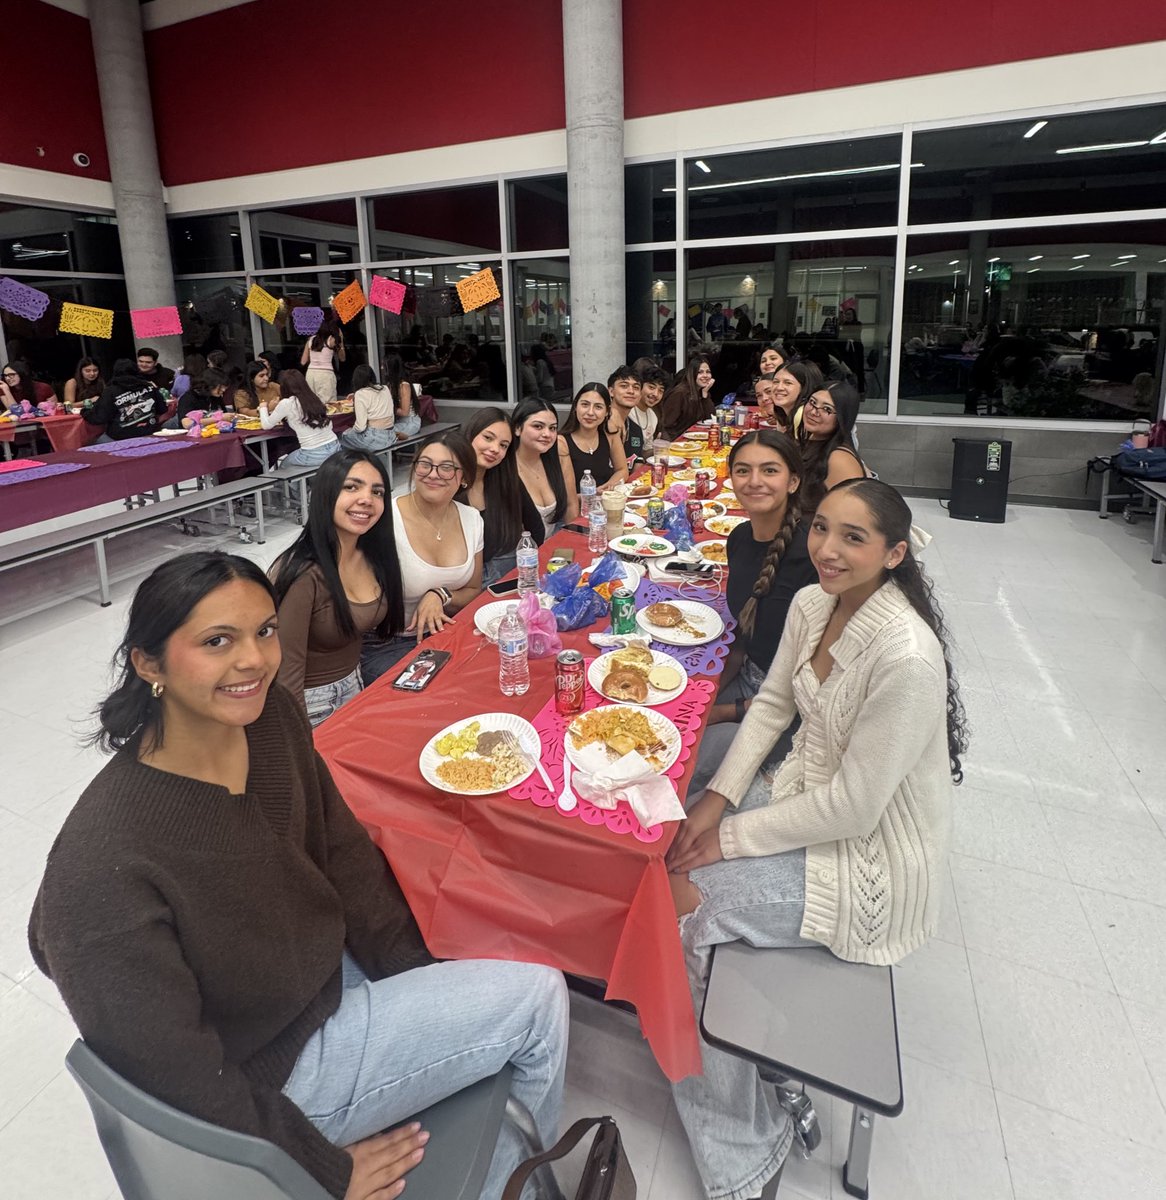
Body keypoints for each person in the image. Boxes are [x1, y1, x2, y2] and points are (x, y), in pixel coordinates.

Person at [28, 550, 568, 1200]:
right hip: (273, 1076)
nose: (253, 660)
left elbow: (344, 855)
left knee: (495, 929)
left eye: (263, 631)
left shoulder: (270, 720)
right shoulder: (102, 870)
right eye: (217, 641)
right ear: (149, 664)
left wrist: (417, 971)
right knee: (539, 998)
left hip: (314, 979)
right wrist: (314, 1167)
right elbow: (174, 1080)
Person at [666, 477, 966, 1200]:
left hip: (869, 861)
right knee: (671, 845)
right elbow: (772, 706)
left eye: (853, 538)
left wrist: (731, 838)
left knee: (684, 913)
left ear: (895, 554)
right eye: (822, 528)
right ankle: (755, 1057)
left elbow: (857, 810)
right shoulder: (811, 603)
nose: (828, 549)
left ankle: (742, 1149)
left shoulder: (906, 656)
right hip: (803, 796)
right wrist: (717, 802)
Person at [688, 431, 817, 793]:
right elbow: (746, 633)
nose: (754, 481)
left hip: (793, 712)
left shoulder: (814, 557)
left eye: (769, 470)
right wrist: (710, 691)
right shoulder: (740, 538)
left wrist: (723, 711)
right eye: (743, 471)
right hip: (748, 680)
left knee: (687, 773)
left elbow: (816, 682)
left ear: (793, 482)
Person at [271, 450, 404, 724]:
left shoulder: (373, 555)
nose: (366, 499)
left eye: (377, 492)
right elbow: (286, 672)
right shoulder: (302, 573)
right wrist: (297, 738)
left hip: (356, 684)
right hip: (311, 703)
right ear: (326, 494)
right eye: (351, 487)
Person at [359, 431, 483, 685]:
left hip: (444, 632)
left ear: (465, 478)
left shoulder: (472, 519)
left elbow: (473, 590)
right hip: (386, 643)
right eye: (425, 464)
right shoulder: (384, 517)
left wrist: (441, 594)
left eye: (446, 468)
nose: (433, 474)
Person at [464, 406, 546, 587]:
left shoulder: (506, 480)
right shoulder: (448, 483)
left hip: (506, 575)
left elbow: (536, 529)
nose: (495, 449)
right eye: (488, 438)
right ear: (471, 434)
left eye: (503, 445)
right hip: (463, 584)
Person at [797, 382, 865, 513]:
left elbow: (851, 513)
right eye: (812, 402)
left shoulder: (840, 459)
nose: (813, 412)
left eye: (827, 409)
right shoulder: (810, 440)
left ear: (842, 418)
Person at [512, 398, 575, 540]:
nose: (547, 434)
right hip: (520, 551)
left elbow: (571, 506)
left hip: (554, 546)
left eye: (552, 428)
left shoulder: (555, 459)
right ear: (517, 428)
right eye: (538, 426)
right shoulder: (505, 469)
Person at [258, 368, 340, 469]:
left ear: (284, 387)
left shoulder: (287, 403)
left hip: (313, 452)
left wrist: (263, 407)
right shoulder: (313, 397)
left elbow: (266, 425)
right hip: (335, 446)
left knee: (283, 467)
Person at [560, 382, 629, 493]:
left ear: (607, 411)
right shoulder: (561, 442)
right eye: (585, 405)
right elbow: (563, 494)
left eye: (598, 407)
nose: (590, 412)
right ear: (575, 406)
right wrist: (593, 495)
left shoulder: (610, 434)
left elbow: (622, 470)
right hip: (577, 502)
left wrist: (608, 486)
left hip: (607, 499)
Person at [83, 358, 169, 439]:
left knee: (94, 442)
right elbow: (162, 409)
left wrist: (85, 412)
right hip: (150, 430)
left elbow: (100, 417)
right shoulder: (149, 386)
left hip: (121, 436)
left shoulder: (111, 391)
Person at [339, 365, 397, 453]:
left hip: (373, 437)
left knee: (341, 438)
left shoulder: (360, 394)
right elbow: (374, 396)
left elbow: (360, 427)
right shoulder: (385, 389)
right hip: (391, 436)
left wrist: (349, 431)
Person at [658, 356, 715, 440]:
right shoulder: (680, 393)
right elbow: (665, 425)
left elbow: (710, 419)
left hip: (694, 439)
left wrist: (705, 395)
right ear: (692, 374)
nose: (705, 375)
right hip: (677, 440)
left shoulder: (701, 391)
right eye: (700, 372)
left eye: (708, 372)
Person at [772, 361, 824, 433]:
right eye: (776, 382)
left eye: (788, 383)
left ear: (804, 388)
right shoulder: (783, 414)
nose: (779, 387)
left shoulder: (804, 415)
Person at [607, 364, 645, 462]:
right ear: (611, 391)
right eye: (624, 386)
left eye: (636, 387)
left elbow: (637, 466)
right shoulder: (598, 423)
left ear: (640, 395)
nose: (631, 391)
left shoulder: (636, 430)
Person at [301, 320, 345, 405]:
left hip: (310, 374)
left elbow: (303, 361)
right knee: (328, 404)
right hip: (325, 374)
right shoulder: (331, 340)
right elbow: (342, 358)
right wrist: (341, 340)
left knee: (312, 403)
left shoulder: (311, 340)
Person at [381, 353, 422, 439]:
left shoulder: (404, 386)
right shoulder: (390, 384)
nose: (381, 368)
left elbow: (404, 412)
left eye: (384, 366)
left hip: (410, 422)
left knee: (383, 435)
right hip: (398, 421)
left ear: (391, 368)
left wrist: (386, 407)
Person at [629, 358, 667, 445]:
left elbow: (646, 449)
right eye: (651, 387)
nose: (656, 394)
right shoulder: (628, 412)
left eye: (661, 390)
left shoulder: (653, 416)